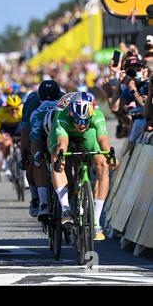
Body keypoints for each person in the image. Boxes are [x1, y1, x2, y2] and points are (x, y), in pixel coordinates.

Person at [48, 92, 117, 241]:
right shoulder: (62, 116)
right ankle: (65, 209)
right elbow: (62, 143)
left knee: (103, 164)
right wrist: (61, 157)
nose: (81, 124)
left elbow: (103, 139)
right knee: (57, 158)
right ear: (71, 114)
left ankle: (96, 222)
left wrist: (111, 156)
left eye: (85, 120)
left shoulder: (97, 114)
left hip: (88, 135)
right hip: (65, 134)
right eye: (78, 120)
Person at [21, 80, 62, 218]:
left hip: (58, 129)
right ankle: (38, 199)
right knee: (34, 160)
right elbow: (26, 131)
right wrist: (25, 154)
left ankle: (70, 198)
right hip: (39, 129)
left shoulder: (64, 100)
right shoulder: (32, 103)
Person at [0, 94, 23, 179]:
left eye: (16, 109)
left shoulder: (22, 110)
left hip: (19, 127)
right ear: (7, 107)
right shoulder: (1, 111)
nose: (14, 111)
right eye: (11, 109)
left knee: (22, 144)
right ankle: (6, 162)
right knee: (6, 143)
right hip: (7, 128)